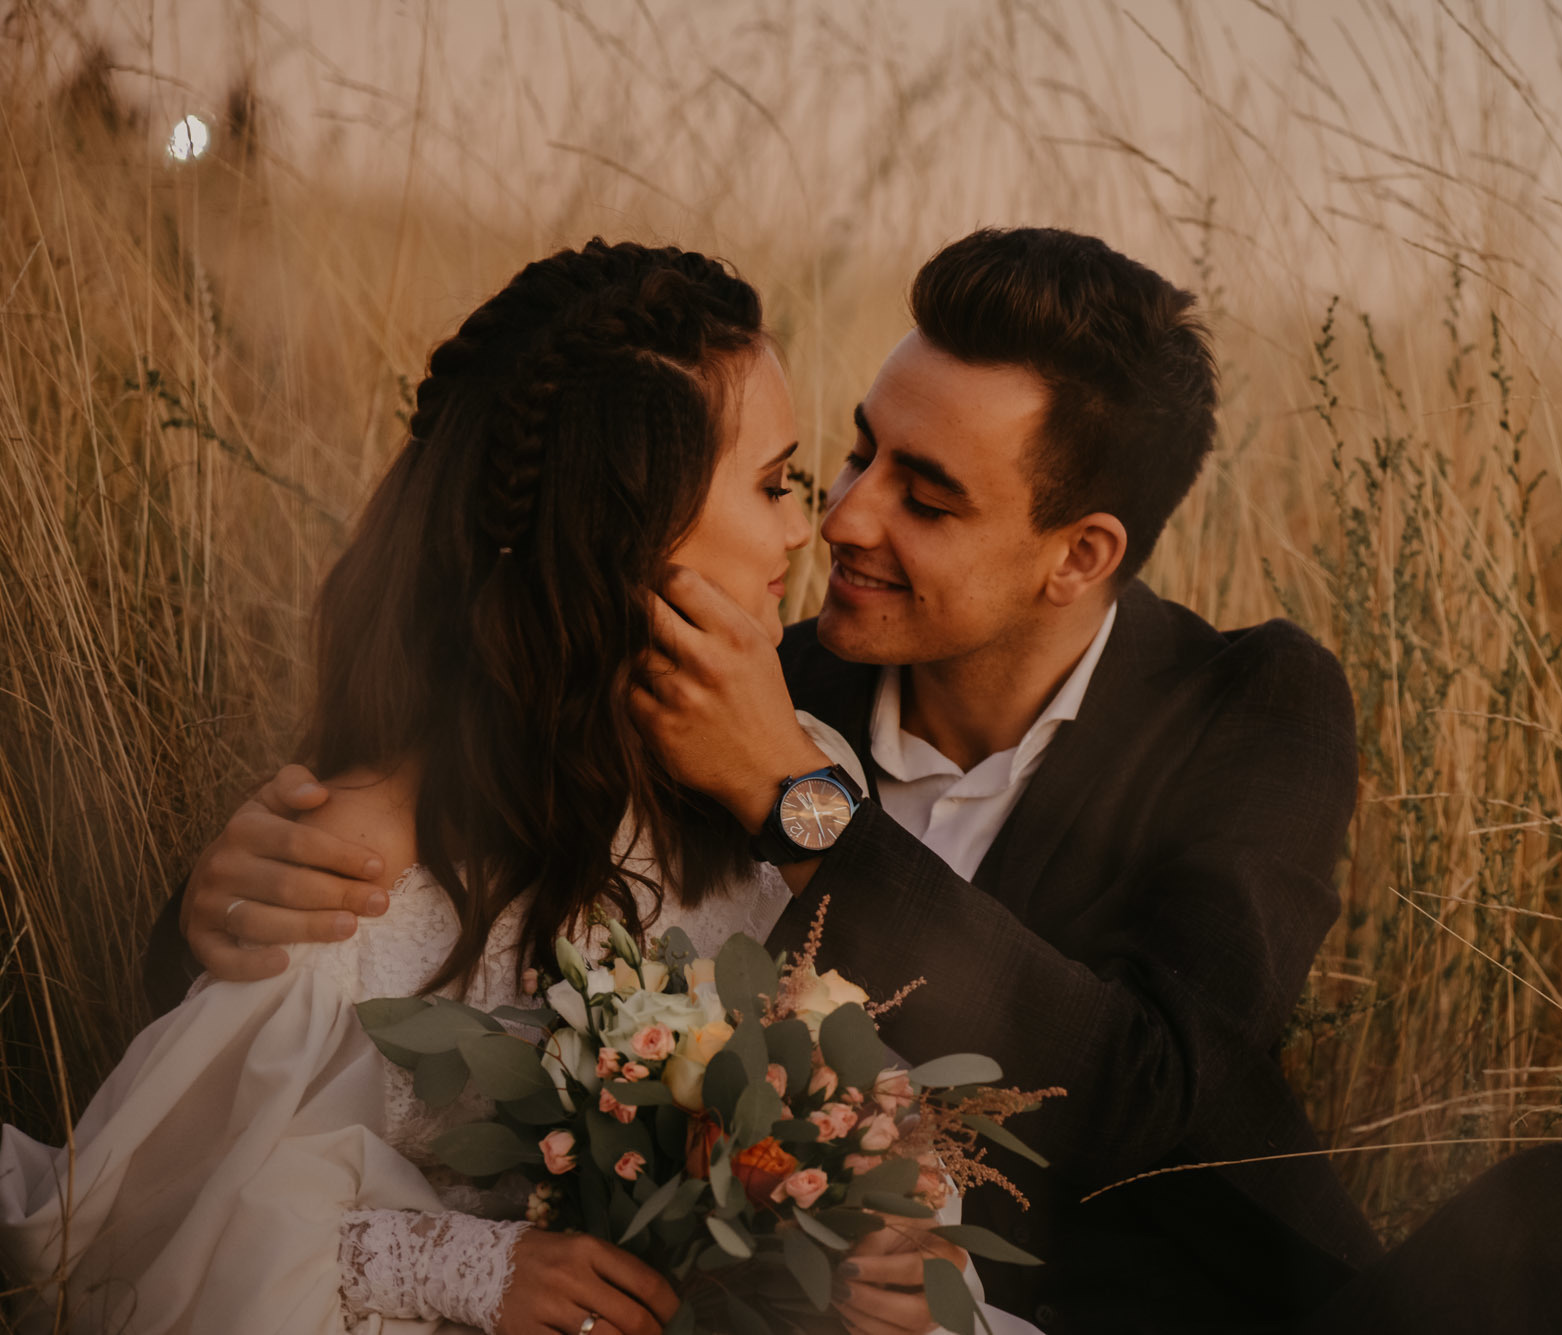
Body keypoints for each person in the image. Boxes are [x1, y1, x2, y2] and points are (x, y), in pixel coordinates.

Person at [151, 229, 1562, 1335]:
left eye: (925, 492)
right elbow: (477, 803)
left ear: (1077, 553)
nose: (840, 518)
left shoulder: (1243, 702)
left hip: (1167, 1309)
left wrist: (802, 804)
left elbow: (1159, 1093)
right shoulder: (782, 676)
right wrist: (253, 868)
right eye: (845, 457)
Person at [3, 239, 993, 1335]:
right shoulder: (374, 873)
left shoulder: (799, 756)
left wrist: (897, 1230)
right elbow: (161, 1231)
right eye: (772, 485)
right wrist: (462, 1267)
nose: (810, 527)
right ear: (624, 527)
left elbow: (891, 1087)